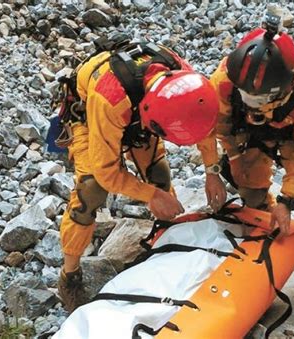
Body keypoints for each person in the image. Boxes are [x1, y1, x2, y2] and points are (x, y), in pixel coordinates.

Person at [199, 15, 294, 307]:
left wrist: (288, 198)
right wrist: (213, 170)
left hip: (293, 140)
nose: (249, 101)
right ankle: (267, 243)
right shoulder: (224, 80)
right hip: (248, 138)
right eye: (245, 95)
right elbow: (208, 126)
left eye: (258, 97)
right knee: (249, 193)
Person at [56, 39, 220, 313]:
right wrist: (151, 196)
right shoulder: (109, 100)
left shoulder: (186, 83)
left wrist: (211, 170)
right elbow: (106, 172)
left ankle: (169, 243)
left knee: (158, 174)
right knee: (90, 189)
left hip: (138, 114)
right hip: (89, 116)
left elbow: (203, 121)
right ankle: (69, 276)